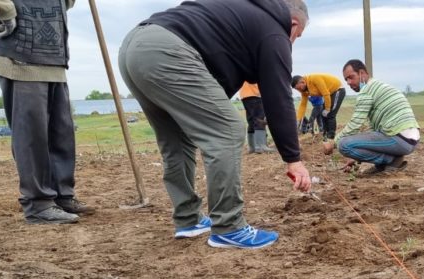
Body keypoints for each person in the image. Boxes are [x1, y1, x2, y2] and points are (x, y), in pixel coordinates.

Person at [119, 0, 312, 250]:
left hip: (133, 48)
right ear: (293, 23)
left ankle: (188, 219)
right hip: (167, 51)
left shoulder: (243, 13)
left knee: (176, 139)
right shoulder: (275, 31)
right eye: (298, 35)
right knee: (228, 129)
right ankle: (229, 226)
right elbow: (278, 99)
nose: (293, 41)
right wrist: (293, 160)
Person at [0, 0, 94, 224]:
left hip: (55, 56)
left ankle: (62, 196)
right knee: (32, 136)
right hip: (20, 55)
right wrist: (5, 8)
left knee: (62, 133)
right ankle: (39, 204)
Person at [323, 59, 420, 175]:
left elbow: (355, 124)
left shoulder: (366, 91)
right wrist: (357, 159)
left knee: (344, 144)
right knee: (356, 140)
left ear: (362, 73)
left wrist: (333, 143)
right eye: (346, 79)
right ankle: (383, 164)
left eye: (351, 77)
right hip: (410, 139)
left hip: (399, 138)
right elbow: (373, 132)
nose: (348, 82)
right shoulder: (376, 86)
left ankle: (391, 161)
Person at [291, 74, 345, 140]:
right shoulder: (304, 91)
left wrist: (327, 109)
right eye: (297, 89)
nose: (299, 90)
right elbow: (303, 105)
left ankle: (331, 137)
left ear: (303, 82)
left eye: (299, 88)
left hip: (338, 89)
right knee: (323, 114)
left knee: (330, 114)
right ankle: (325, 135)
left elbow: (325, 93)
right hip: (329, 93)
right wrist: (298, 119)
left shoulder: (315, 79)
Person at [239, 82, 273, 154]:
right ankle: (260, 146)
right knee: (259, 119)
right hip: (254, 93)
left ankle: (252, 147)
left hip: (244, 94)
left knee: (251, 121)